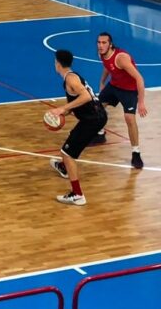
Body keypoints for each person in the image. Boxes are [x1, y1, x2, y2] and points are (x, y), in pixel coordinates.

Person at [47, 49, 108, 207]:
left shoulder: (71, 79)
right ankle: (64, 167)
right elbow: (80, 101)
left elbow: (86, 96)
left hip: (93, 119)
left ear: (58, 64)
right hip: (95, 117)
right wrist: (63, 113)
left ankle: (78, 195)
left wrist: (63, 108)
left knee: (66, 153)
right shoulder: (72, 76)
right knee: (71, 142)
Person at [91, 32, 148, 169]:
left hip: (129, 91)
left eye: (104, 42)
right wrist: (102, 82)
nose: (100, 45)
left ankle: (136, 153)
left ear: (110, 44)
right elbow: (106, 66)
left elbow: (139, 78)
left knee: (129, 119)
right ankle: (100, 133)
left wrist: (141, 102)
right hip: (114, 86)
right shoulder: (102, 53)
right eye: (99, 42)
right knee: (96, 107)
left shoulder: (121, 58)